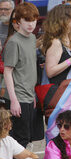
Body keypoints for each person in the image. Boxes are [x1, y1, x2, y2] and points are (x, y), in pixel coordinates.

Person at [3, 2, 40, 148]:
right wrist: (13, 100)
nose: (31, 24)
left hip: (29, 96)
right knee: (20, 138)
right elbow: (8, 71)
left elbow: (29, 69)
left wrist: (33, 95)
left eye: (33, 20)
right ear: (18, 21)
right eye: (27, 20)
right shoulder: (13, 42)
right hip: (18, 96)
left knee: (28, 137)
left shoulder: (32, 38)